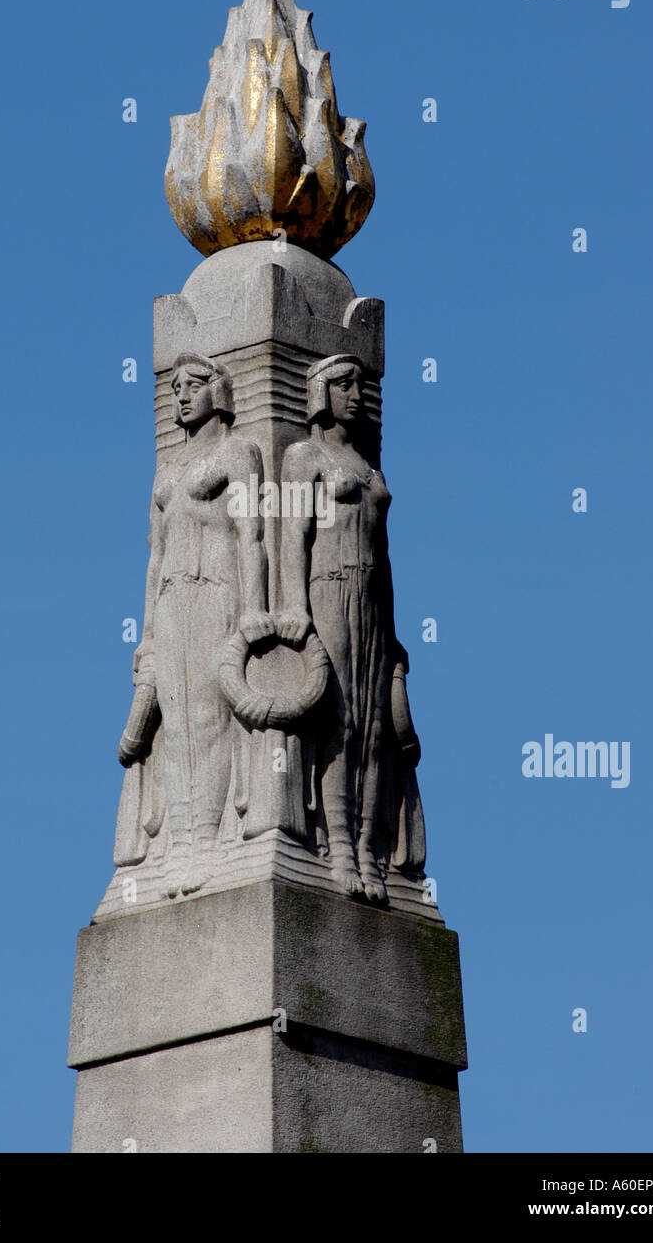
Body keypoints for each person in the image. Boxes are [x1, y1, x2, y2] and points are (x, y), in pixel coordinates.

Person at [118, 352, 273, 897]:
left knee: (210, 719)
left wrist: (255, 614)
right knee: (176, 724)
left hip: (218, 595)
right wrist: (147, 637)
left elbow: (252, 535)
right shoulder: (165, 474)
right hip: (171, 600)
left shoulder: (239, 453)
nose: (181, 395)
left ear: (219, 391)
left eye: (194, 385)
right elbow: (153, 559)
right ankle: (178, 842)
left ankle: (206, 840)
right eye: (176, 387)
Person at [276, 353, 426, 901]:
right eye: (343, 384)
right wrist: (295, 610)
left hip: (370, 602)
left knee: (375, 729)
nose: (356, 394)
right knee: (338, 721)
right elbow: (293, 537)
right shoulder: (303, 457)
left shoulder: (370, 469)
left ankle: (368, 850)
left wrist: (394, 636)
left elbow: (385, 561)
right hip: (327, 589)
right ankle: (338, 845)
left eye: (360, 384)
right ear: (320, 393)